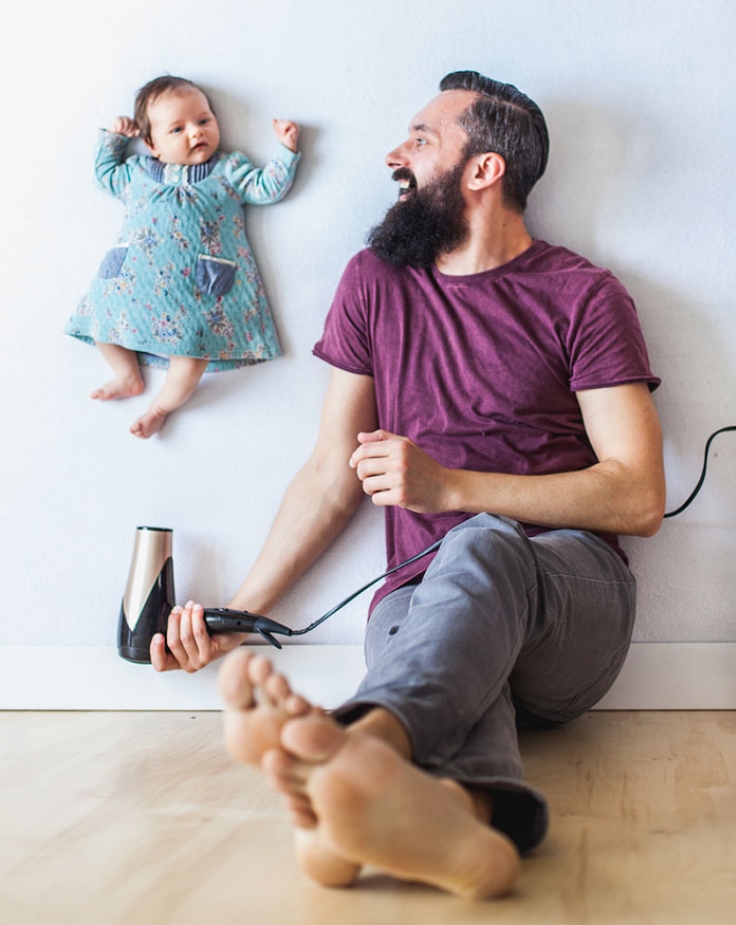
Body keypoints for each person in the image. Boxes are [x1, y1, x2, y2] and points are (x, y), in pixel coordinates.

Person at [152, 71, 665, 899]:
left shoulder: (584, 296)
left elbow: (638, 496)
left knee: (483, 542)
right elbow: (329, 474)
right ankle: (466, 824)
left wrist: (453, 487)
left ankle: (361, 741)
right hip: (426, 613)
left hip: (572, 602)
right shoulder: (376, 283)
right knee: (421, 614)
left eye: (421, 139)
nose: (394, 154)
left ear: (484, 170)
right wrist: (239, 616)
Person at [65, 75, 300, 438]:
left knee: (194, 349)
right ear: (151, 144)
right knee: (101, 321)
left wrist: (285, 151)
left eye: (204, 120)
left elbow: (267, 188)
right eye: (177, 128)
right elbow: (104, 175)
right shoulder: (137, 173)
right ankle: (127, 376)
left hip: (196, 293)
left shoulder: (229, 170)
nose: (196, 132)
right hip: (131, 282)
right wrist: (113, 139)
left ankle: (161, 406)